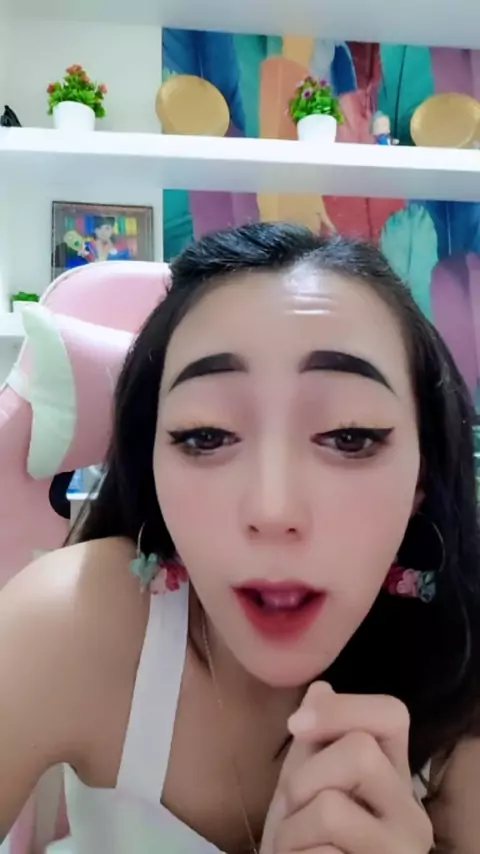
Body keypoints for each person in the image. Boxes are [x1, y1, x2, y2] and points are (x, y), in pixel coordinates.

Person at [1, 222, 480, 854]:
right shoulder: (71, 619)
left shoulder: (463, 690)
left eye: (350, 436)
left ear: (421, 476)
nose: (273, 510)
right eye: (205, 435)